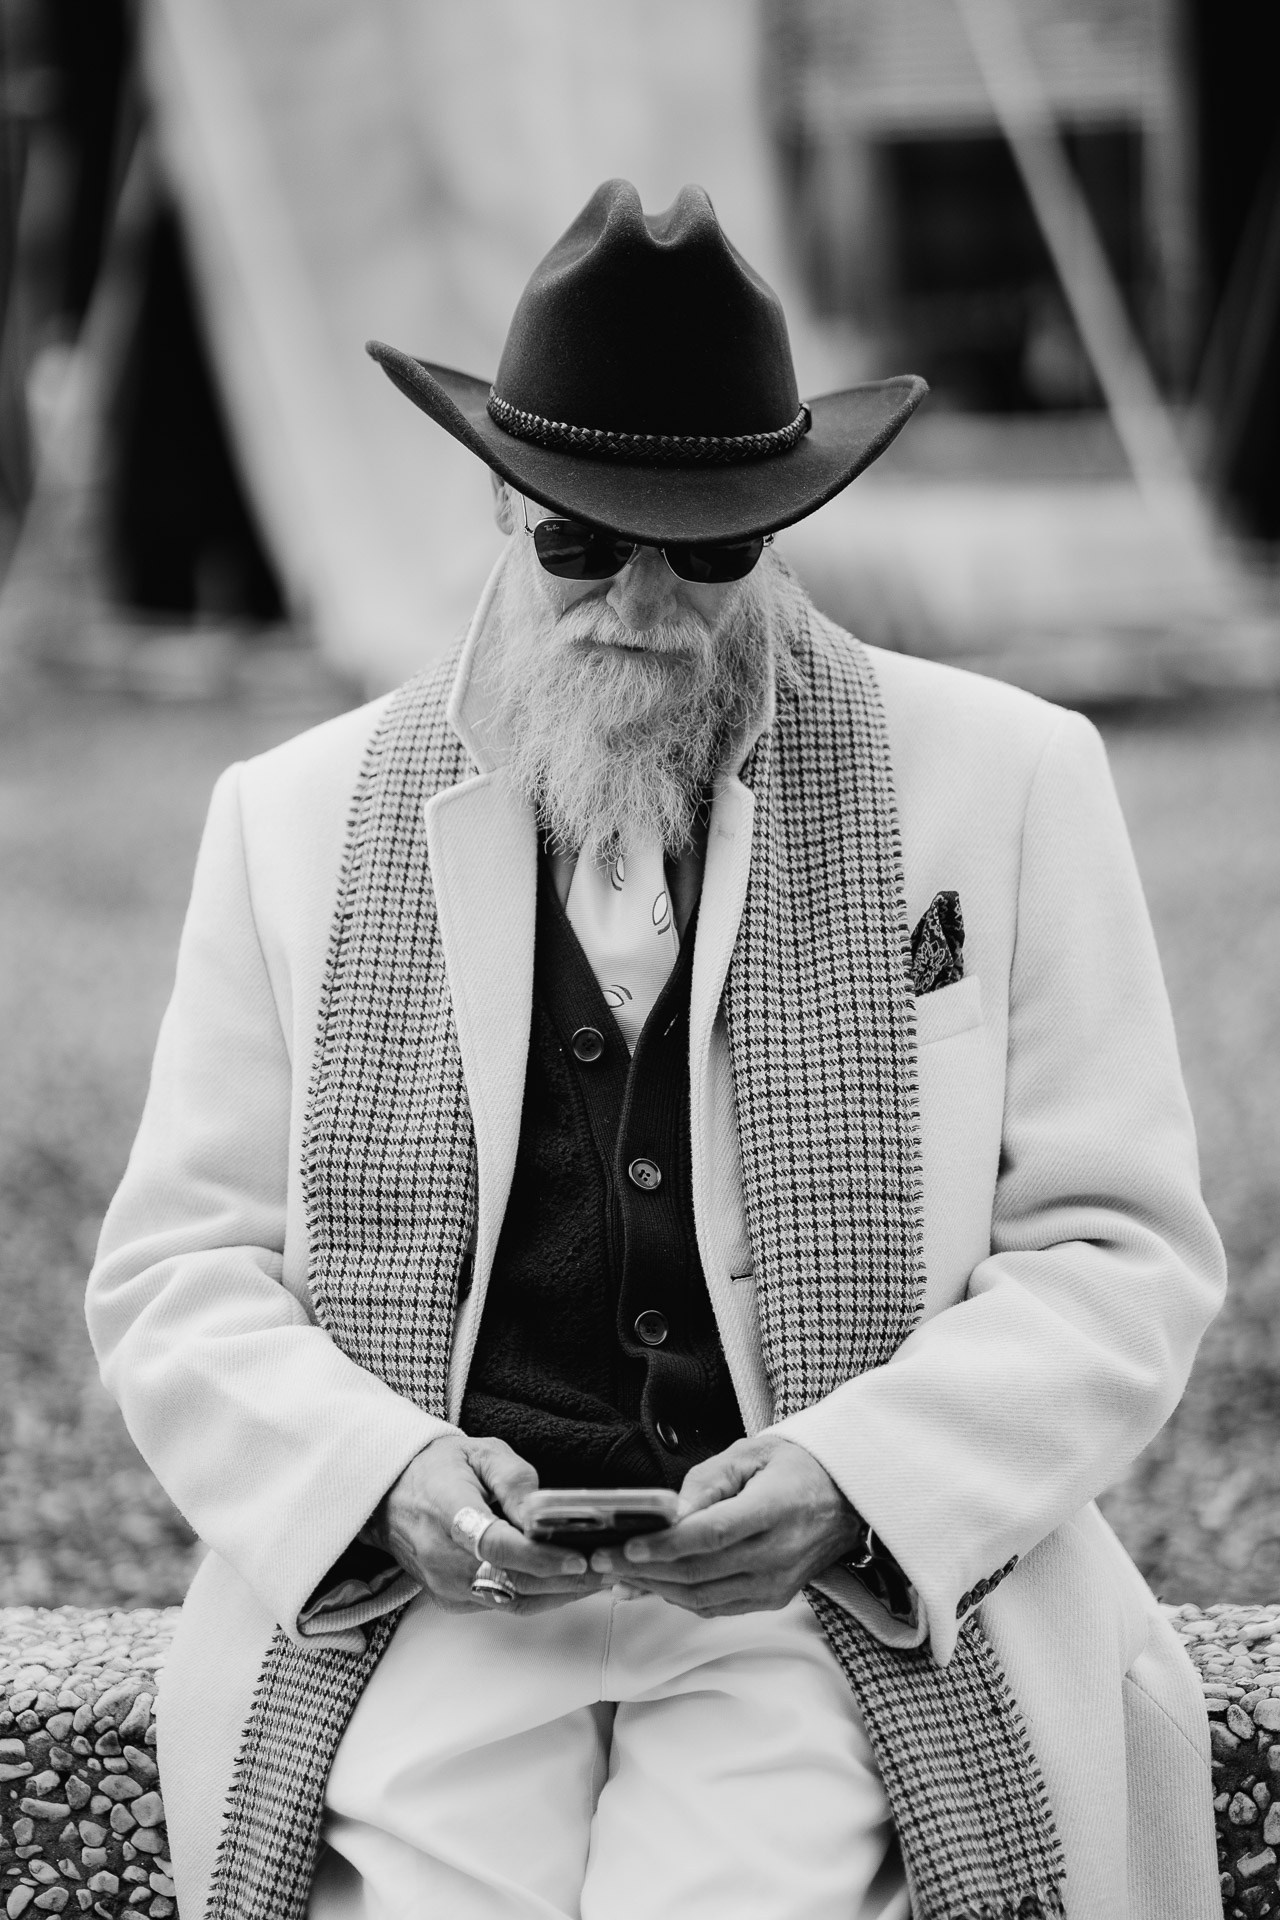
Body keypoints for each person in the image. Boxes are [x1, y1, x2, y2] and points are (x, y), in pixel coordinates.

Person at [86, 179, 1226, 1920]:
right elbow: (180, 1274)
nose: (640, 597)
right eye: (579, 542)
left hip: (826, 1601)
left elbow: (1119, 1252)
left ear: (781, 528)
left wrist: (860, 1481)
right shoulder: (292, 821)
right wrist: (382, 1478)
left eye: (706, 547)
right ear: (498, 499)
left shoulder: (1006, 784)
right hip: (436, 1599)